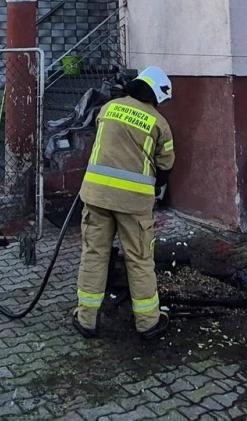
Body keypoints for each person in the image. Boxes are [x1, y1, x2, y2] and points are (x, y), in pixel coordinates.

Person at [73, 66, 176, 340]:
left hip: (96, 196)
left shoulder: (108, 108)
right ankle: (147, 323)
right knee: (140, 259)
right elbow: (166, 165)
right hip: (133, 203)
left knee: (94, 254)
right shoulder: (159, 123)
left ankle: (86, 320)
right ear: (156, 93)